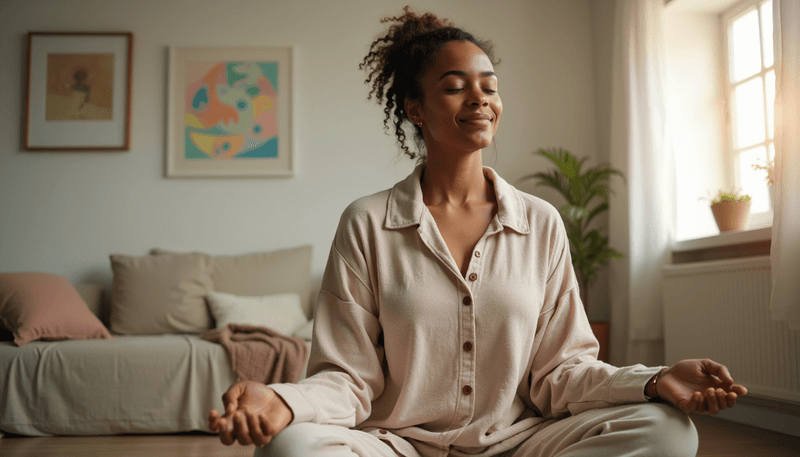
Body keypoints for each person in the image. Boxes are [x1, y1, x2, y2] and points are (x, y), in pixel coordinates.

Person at [208, 8, 747, 457]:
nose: (480, 98)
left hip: (520, 442)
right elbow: (348, 379)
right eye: (454, 87)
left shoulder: (540, 222)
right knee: (290, 447)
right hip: (396, 445)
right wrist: (284, 401)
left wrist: (652, 381)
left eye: (489, 87)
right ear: (415, 108)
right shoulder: (367, 223)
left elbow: (561, 372)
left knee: (667, 431)